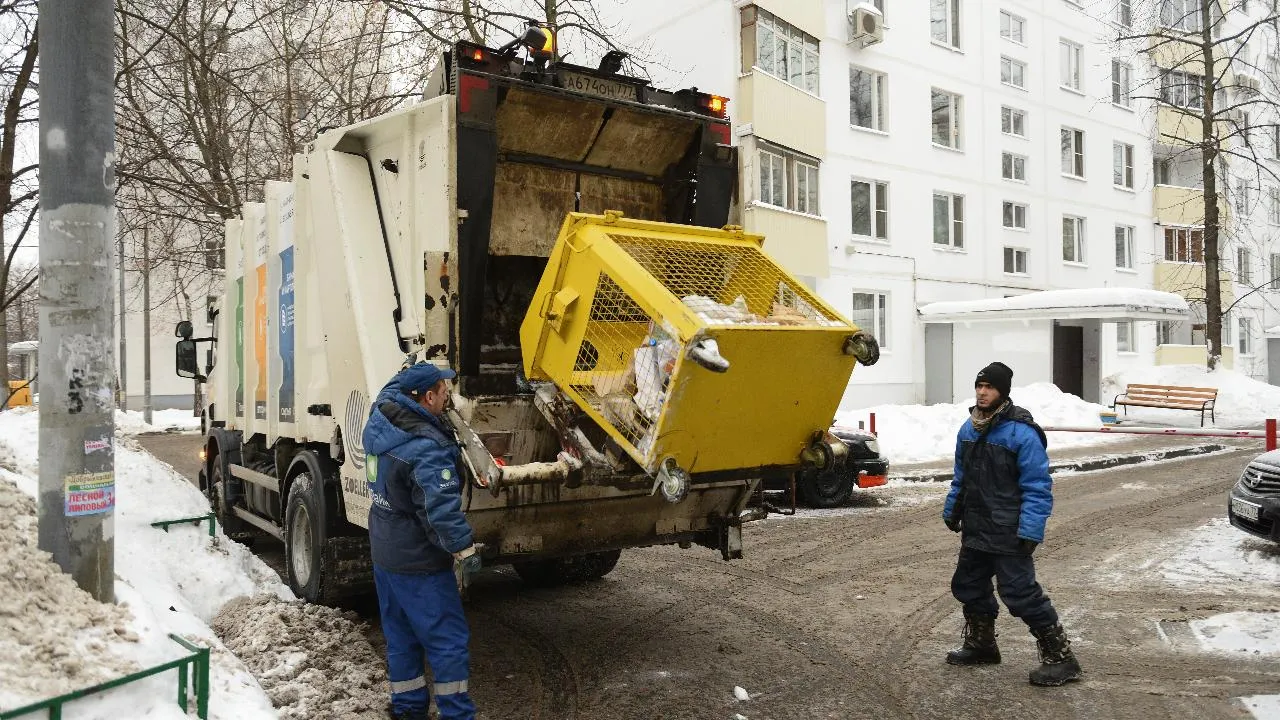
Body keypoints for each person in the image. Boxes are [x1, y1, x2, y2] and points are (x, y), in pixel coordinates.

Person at [941, 361, 1082, 686]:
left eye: (989, 387)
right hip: (976, 526)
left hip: (1009, 529)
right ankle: (982, 645)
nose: (982, 392)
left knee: (1020, 593)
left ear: (1002, 392)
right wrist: (952, 509)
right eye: (979, 386)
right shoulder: (968, 429)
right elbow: (961, 477)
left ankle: (1061, 658)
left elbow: (1037, 486)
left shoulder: (1022, 434)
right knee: (968, 585)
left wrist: (1031, 529)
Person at [363, 361, 481, 720]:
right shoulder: (426, 450)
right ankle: (456, 714)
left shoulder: (383, 419)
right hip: (419, 562)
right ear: (428, 397)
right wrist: (463, 549)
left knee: (401, 636)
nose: (448, 398)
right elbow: (438, 513)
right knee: (447, 641)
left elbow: (394, 386)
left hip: (386, 551)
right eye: (444, 392)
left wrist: (416, 367)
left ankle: (409, 709)